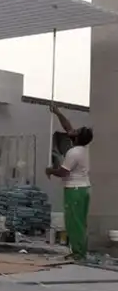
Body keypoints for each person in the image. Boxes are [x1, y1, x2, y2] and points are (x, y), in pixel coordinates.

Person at [45, 104, 93, 260]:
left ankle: (78, 254)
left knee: (74, 222)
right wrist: (58, 112)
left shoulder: (74, 153)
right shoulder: (82, 148)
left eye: (75, 131)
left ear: (77, 138)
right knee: (79, 222)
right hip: (83, 189)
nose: (72, 131)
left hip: (75, 190)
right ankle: (79, 251)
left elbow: (63, 172)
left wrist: (50, 170)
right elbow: (68, 127)